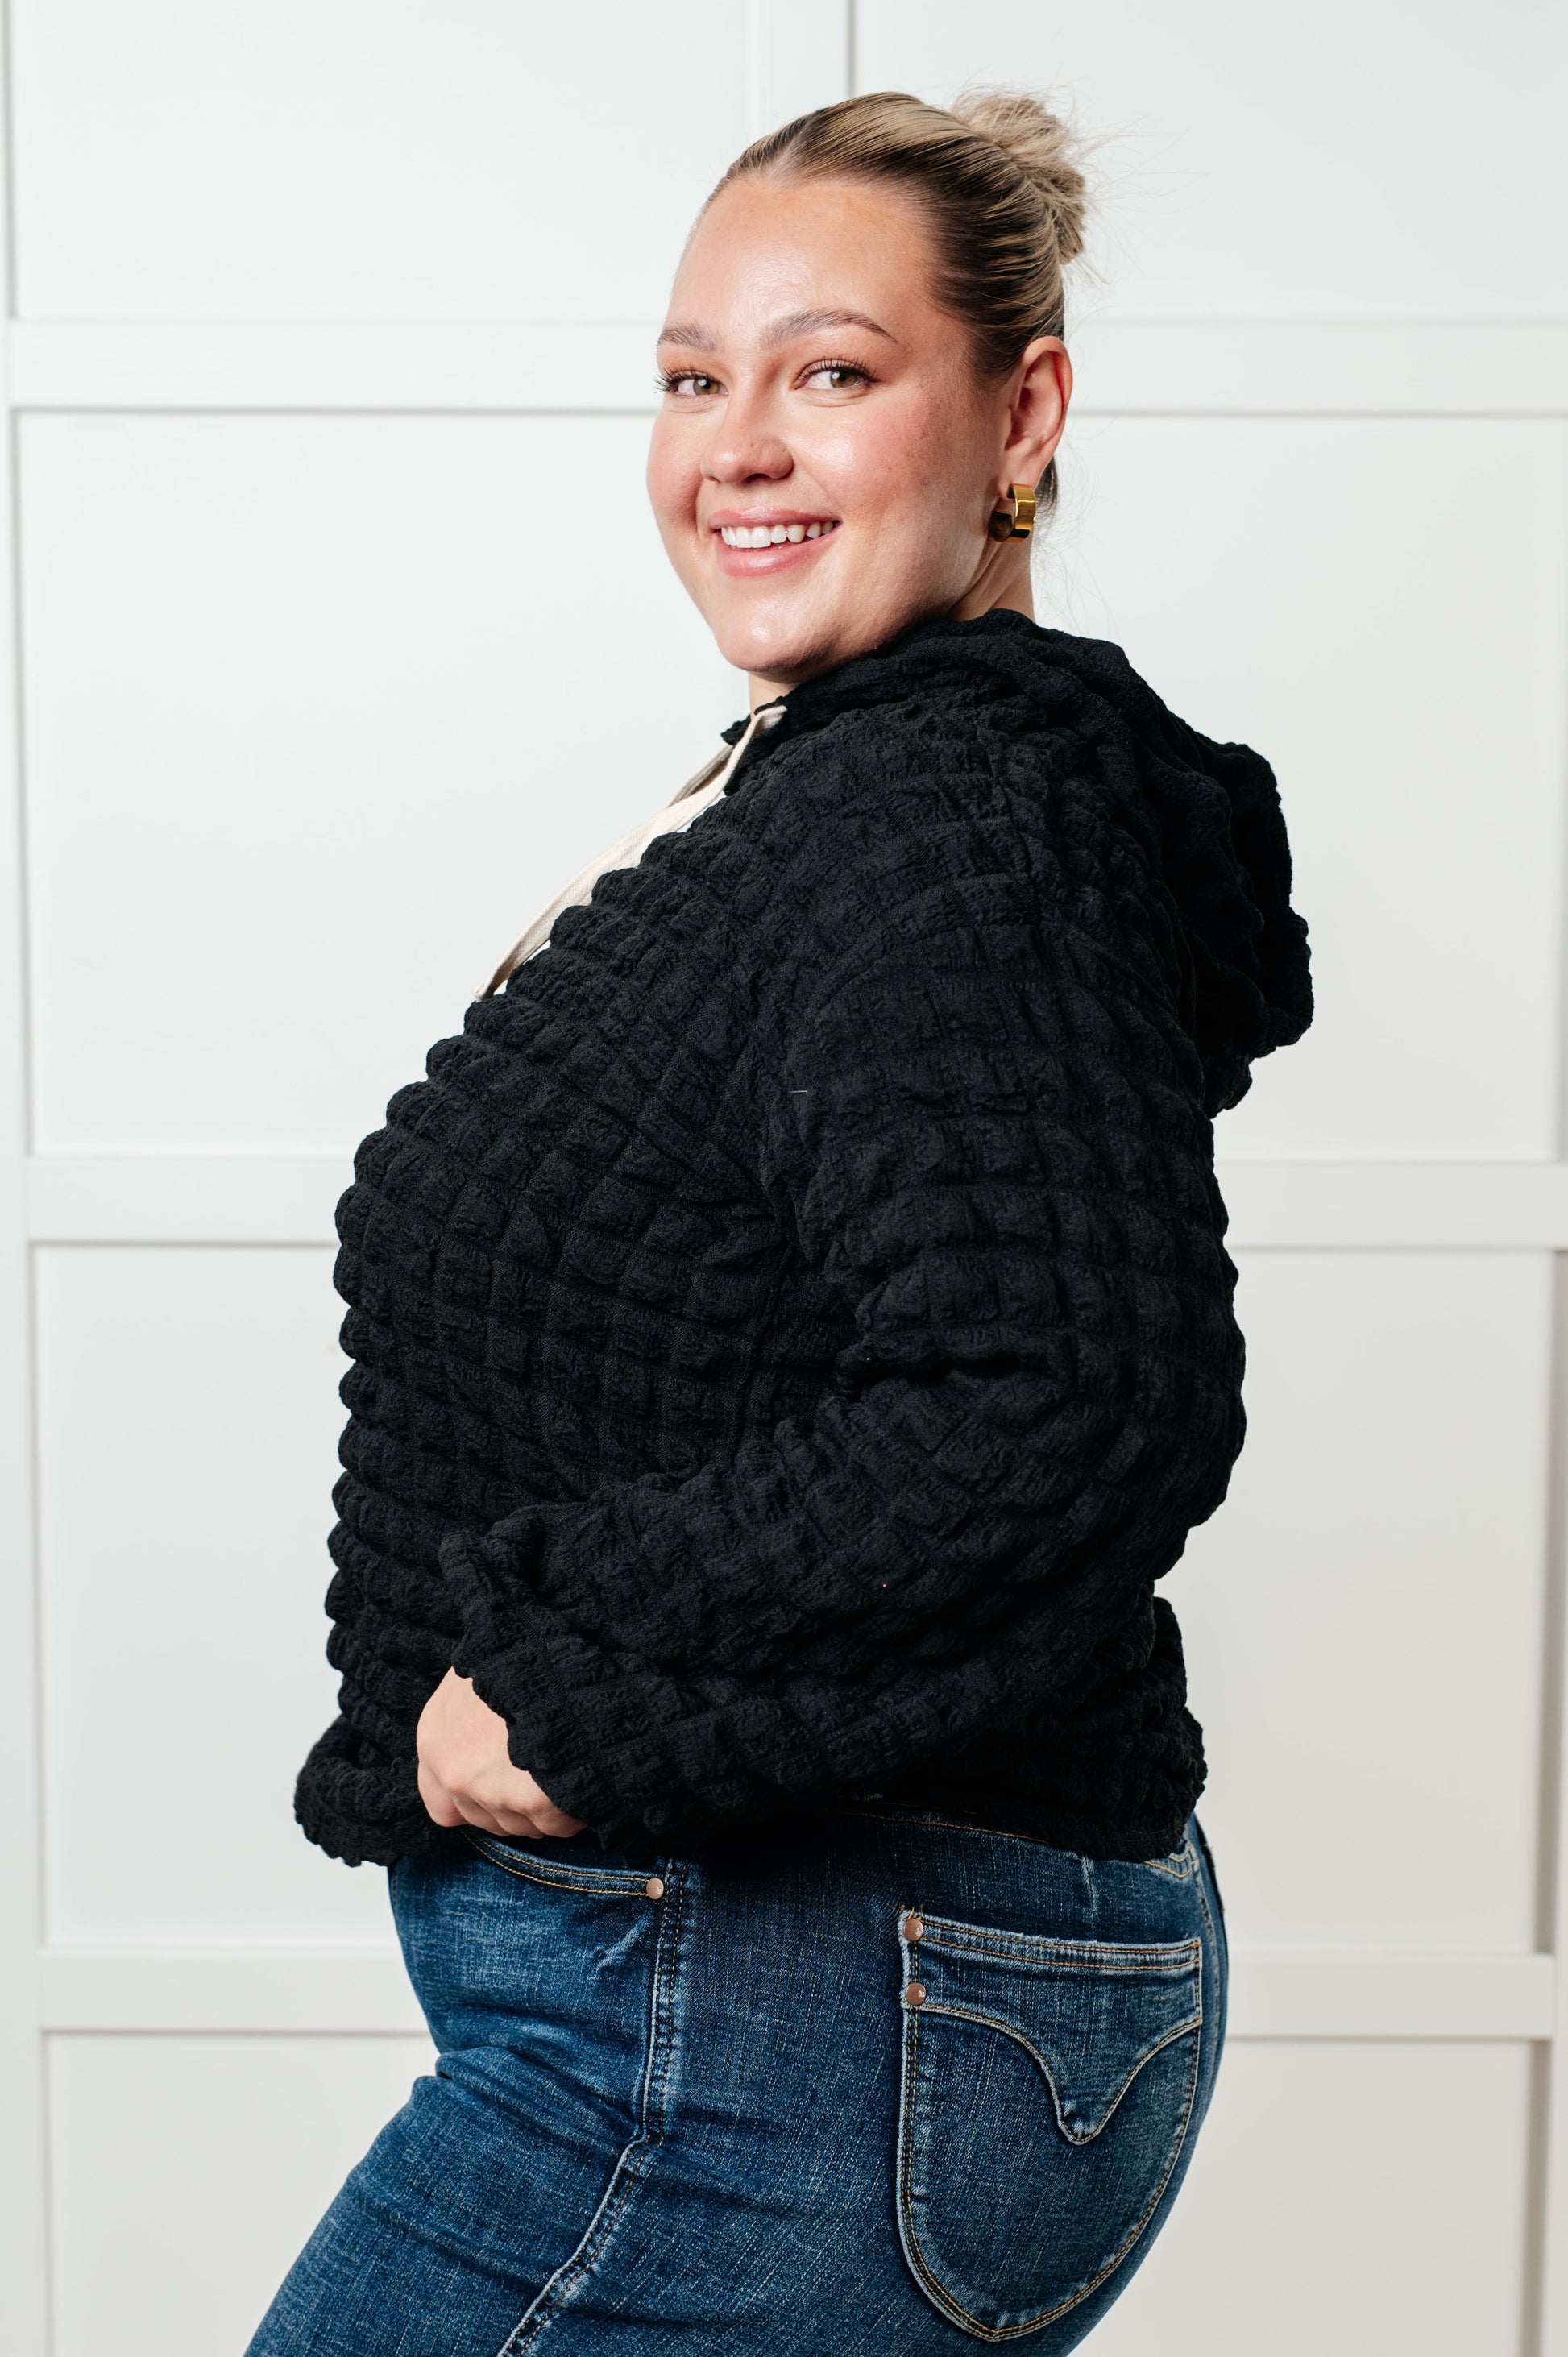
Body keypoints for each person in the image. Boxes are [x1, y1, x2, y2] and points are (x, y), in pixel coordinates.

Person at [248, 88, 1311, 2355]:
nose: (737, 445)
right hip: (805, 1992)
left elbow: (1066, 1392)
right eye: (689, 376)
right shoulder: (841, 791)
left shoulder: (943, 817)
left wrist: (557, 1670)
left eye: (830, 370)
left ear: (1020, 412)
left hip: (800, 2004)